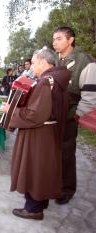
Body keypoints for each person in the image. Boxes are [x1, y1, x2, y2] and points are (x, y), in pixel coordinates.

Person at [2, 48, 70, 220]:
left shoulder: (45, 82)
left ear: (43, 62)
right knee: (43, 168)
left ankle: (33, 209)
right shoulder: (57, 79)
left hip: (38, 134)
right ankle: (40, 203)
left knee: (34, 168)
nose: (31, 67)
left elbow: (35, 115)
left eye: (33, 63)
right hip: (48, 131)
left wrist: (10, 110)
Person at [52, 26, 96, 204]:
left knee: (66, 154)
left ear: (71, 40)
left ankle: (67, 190)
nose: (55, 42)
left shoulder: (85, 61)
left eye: (59, 38)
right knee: (54, 152)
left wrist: (76, 116)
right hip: (54, 114)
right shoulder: (57, 60)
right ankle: (54, 185)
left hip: (70, 116)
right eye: (54, 39)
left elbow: (91, 95)